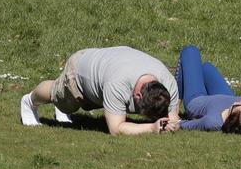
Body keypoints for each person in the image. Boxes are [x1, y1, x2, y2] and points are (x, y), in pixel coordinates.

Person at [20, 46, 181, 135]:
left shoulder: (168, 83)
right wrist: (151, 128)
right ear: (137, 95)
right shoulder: (118, 84)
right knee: (56, 93)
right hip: (79, 72)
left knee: (67, 107)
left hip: (105, 66)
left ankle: (62, 109)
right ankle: (29, 101)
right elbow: (116, 129)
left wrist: (170, 125)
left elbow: (174, 119)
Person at [174, 45, 241, 133]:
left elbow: (189, 125)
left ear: (229, 118)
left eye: (236, 106)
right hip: (226, 95)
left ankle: (175, 107)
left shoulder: (213, 121)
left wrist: (177, 122)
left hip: (198, 100)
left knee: (190, 51)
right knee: (206, 67)